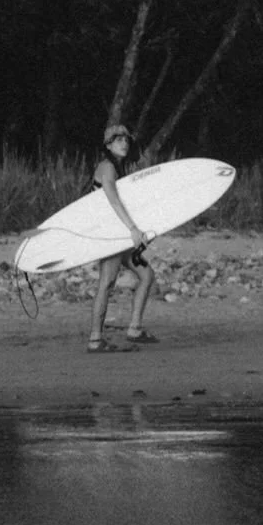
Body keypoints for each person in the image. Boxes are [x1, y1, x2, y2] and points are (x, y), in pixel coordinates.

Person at [87, 123, 158, 354]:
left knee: (146, 275)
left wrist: (140, 232)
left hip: (122, 236)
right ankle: (95, 339)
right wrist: (133, 229)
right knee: (106, 283)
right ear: (108, 145)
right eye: (118, 140)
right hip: (110, 237)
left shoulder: (119, 168)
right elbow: (113, 200)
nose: (124, 143)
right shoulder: (107, 167)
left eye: (126, 140)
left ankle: (135, 328)